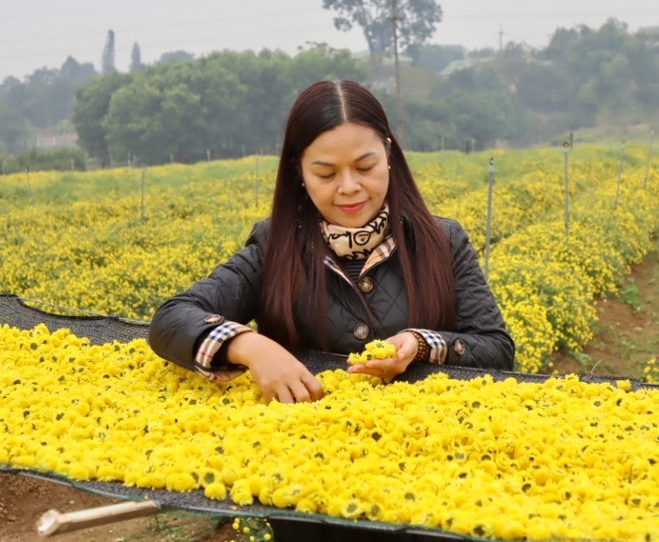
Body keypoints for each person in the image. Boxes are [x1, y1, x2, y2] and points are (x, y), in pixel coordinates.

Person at [148, 80, 515, 403]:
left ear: (388, 155)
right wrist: (251, 347)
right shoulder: (274, 247)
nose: (349, 187)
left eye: (365, 167)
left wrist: (420, 345)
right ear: (299, 171)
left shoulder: (441, 242)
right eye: (326, 173)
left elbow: (497, 349)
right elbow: (171, 319)